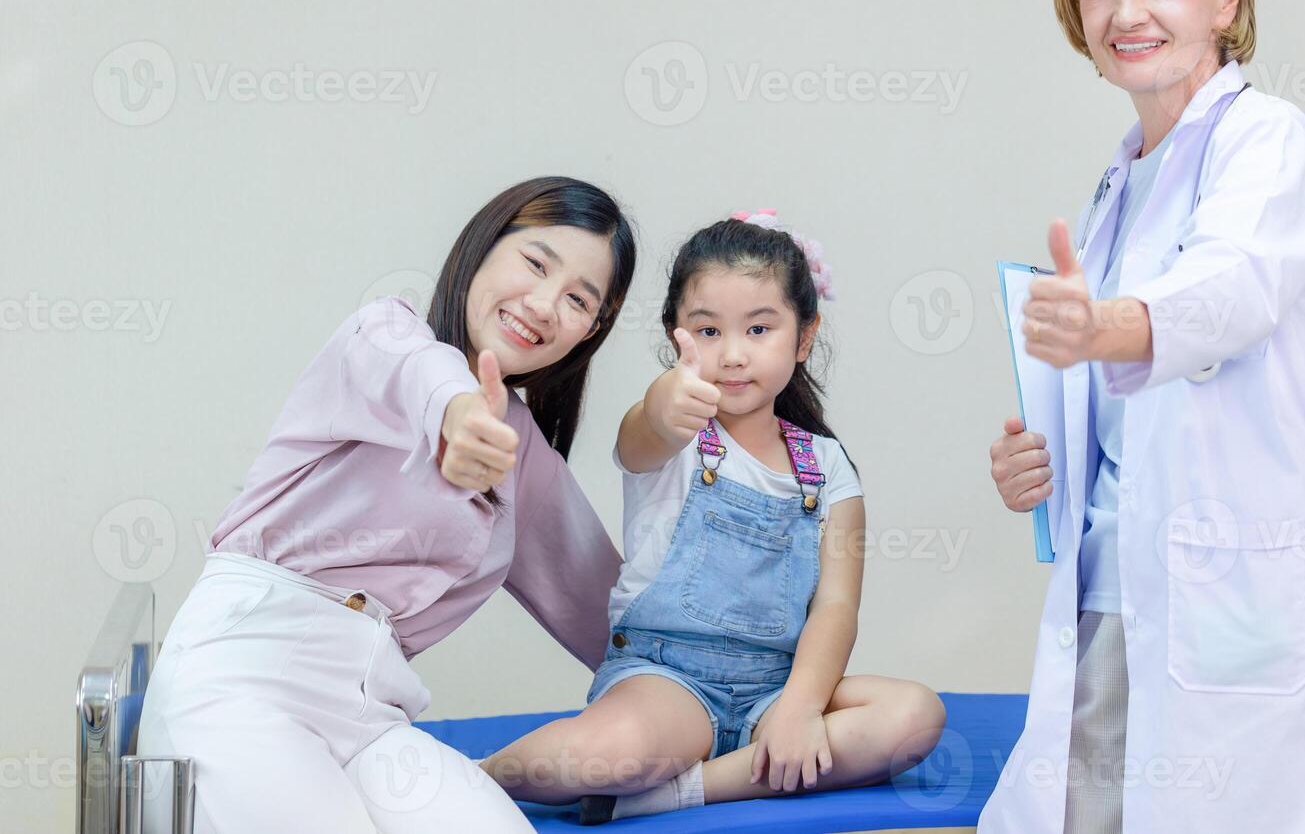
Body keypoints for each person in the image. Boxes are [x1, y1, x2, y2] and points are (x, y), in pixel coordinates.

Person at [980, 0, 1305, 834]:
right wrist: (1045, 468)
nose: (1126, 10)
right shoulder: (1117, 185)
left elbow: (1231, 289)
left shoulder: (1272, 142)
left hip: (1248, 597)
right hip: (1114, 587)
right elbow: (1130, 424)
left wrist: (1108, 329)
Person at [137, 176, 638, 833]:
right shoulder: (382, 336)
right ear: (485, 246)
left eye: (577, 299)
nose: (544, 305)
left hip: (368, 711)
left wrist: (775, 689)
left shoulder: (525, 455)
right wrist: (461, 419)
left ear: (591, 329)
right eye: (535, 263)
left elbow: (613, 610)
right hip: (243, 673)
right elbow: (425, 381)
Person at [483, 209, 947, 824]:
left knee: (914, 717)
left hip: (777, 689)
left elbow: (836, 606)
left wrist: (801, 709)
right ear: (675, 334)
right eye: (707, 332)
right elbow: (645, 431)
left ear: (804, 337)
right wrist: (666, 404)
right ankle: (469, 775)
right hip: (665, 680)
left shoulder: (829, 467)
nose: (732, 355)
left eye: (759, 330)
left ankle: (683, 791)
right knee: (602, 755)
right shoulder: (673, 432)